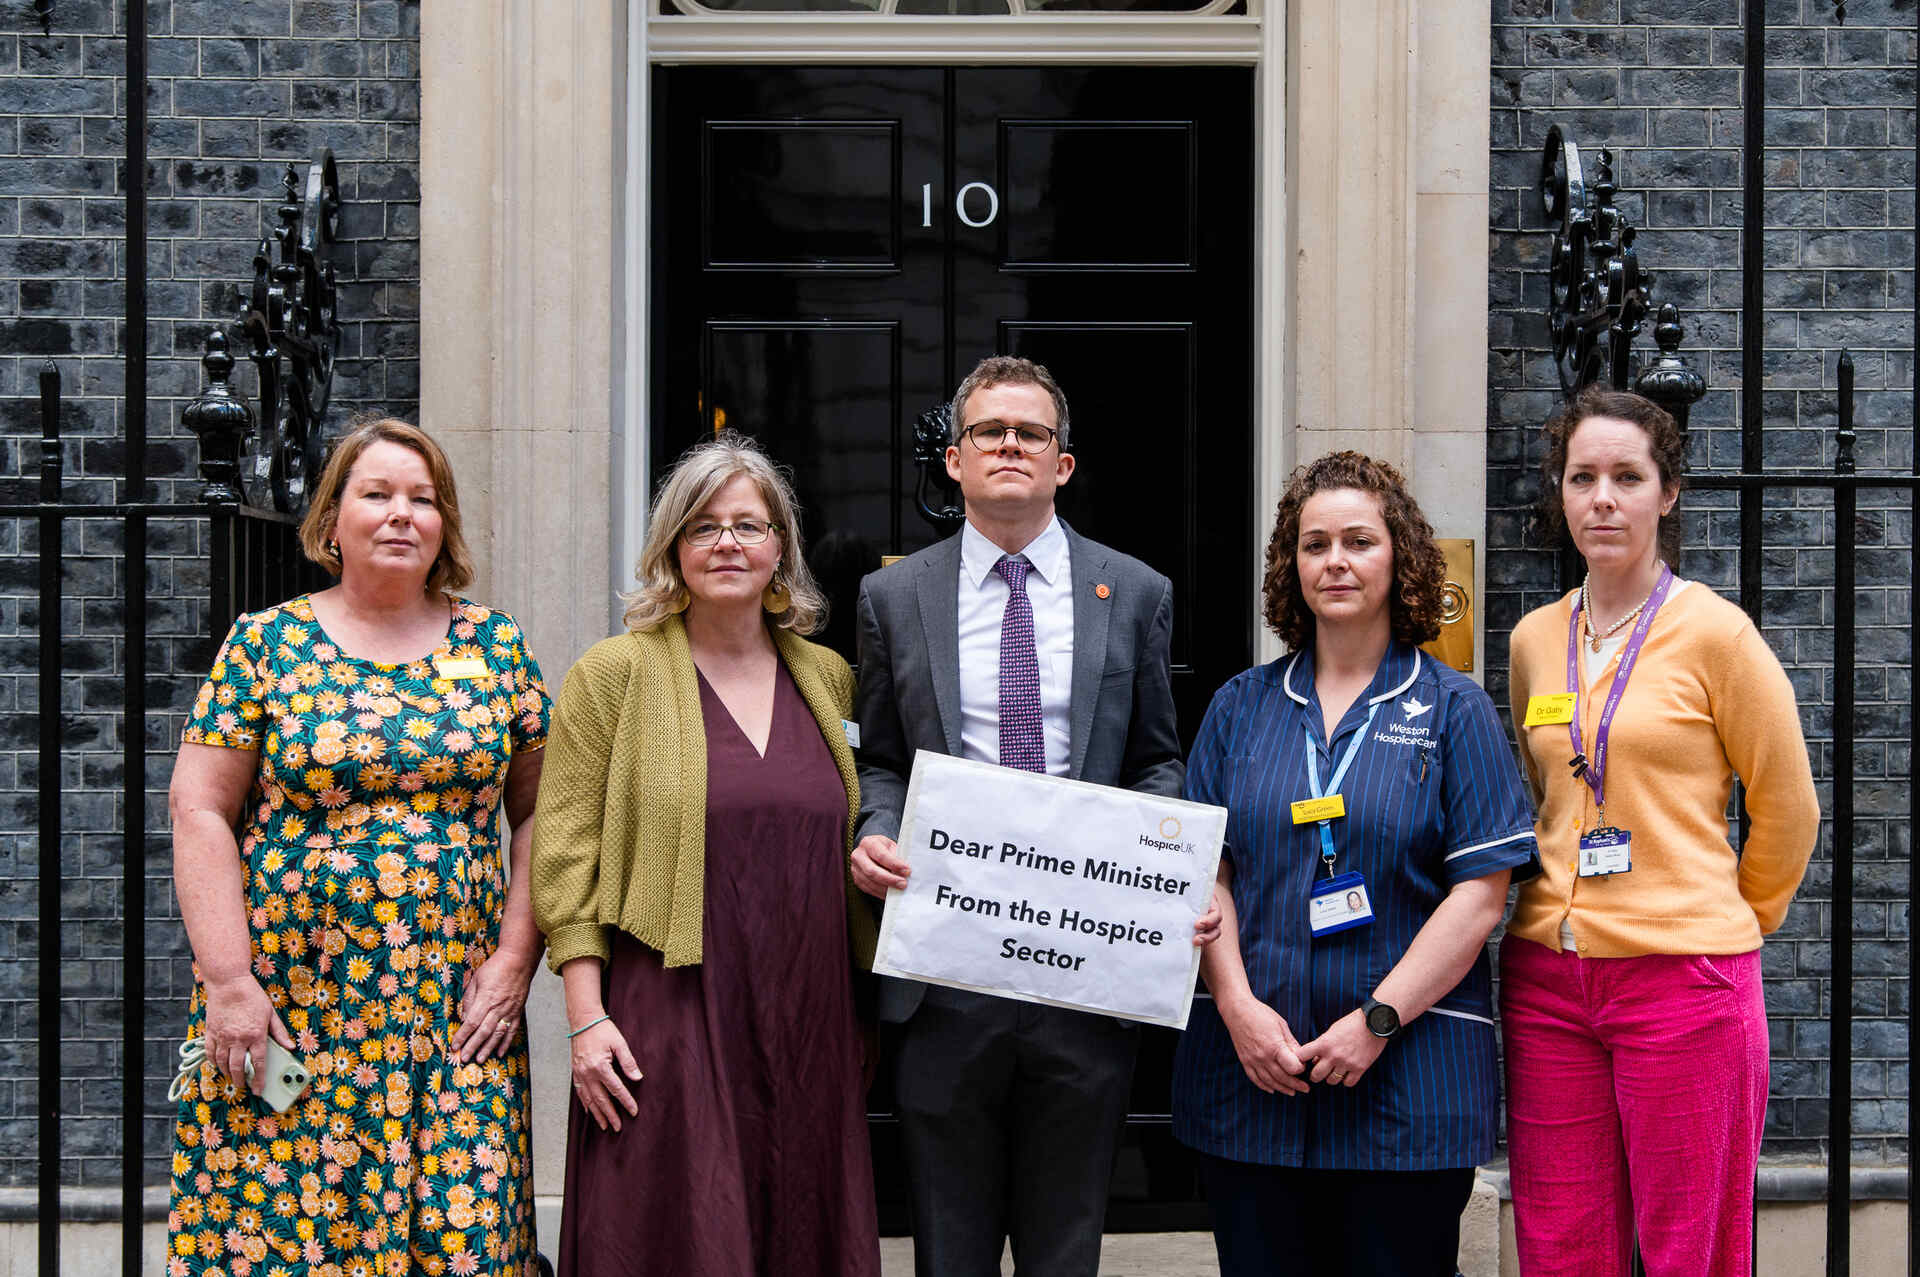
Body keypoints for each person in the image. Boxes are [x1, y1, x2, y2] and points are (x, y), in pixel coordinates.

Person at [849, 354, 1218, 1277]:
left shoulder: (1134, 591)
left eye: (1032, 433)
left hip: (1084, 974)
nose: (1009, 445)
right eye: (988, 432)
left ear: (1063, 463)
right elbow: (882, 757)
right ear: (956, 461)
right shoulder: (894, 597)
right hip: (946, 971)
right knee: (949, 1248)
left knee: (1065, 1250)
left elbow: (1155, 757)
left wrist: (1162, 866)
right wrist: (873, 831)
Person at [166, 419, 551, 1276]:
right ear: (332, 519)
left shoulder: (495, 647)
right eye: (376, 494)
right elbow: (199, 807)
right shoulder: (265, 645)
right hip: (290, 1008)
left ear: (444, 524)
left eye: (422, 499)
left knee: (463, 1239)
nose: (400, 514)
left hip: (453, 1016)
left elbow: (543, 812)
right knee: (281, 1235)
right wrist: (229, 982)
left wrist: (517, 956)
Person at [1171, 451, 1539, 1277]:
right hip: (1255, 1080)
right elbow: (1206, 872)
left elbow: (1481, 895)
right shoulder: (1239, 706)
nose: (1334, 561)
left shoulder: (1454, 709)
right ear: (1290, 565)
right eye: (1314, 544)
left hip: (1407, 1086)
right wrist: (1234, 1006)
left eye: (1358, 541)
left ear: (1399, 557)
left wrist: (1379, 1018)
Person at [531, 432, 880, 1277]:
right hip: (668, 1010)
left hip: (808, 1015)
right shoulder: (612, 674)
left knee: (802, 1219)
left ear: (781, 550)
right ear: (672, 548)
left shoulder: (828, 676)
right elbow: (564, 855)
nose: (728, 541)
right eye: (703, 526)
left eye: (749, 525)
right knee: (677, 1232)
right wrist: (586, 1017)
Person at [1502, 387, 1819, 1277]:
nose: (1602, 497)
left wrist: (1730, 919)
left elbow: (1789, 804)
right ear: (1561, 493)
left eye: (1626, 477)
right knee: (1561, 1245)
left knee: (1693, 1251)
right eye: (1583, 476)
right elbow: (1547, 795)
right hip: (1549, 980)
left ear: (1666, 494)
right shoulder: (1533, 640)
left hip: (1684, 979)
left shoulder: (1718, 633)